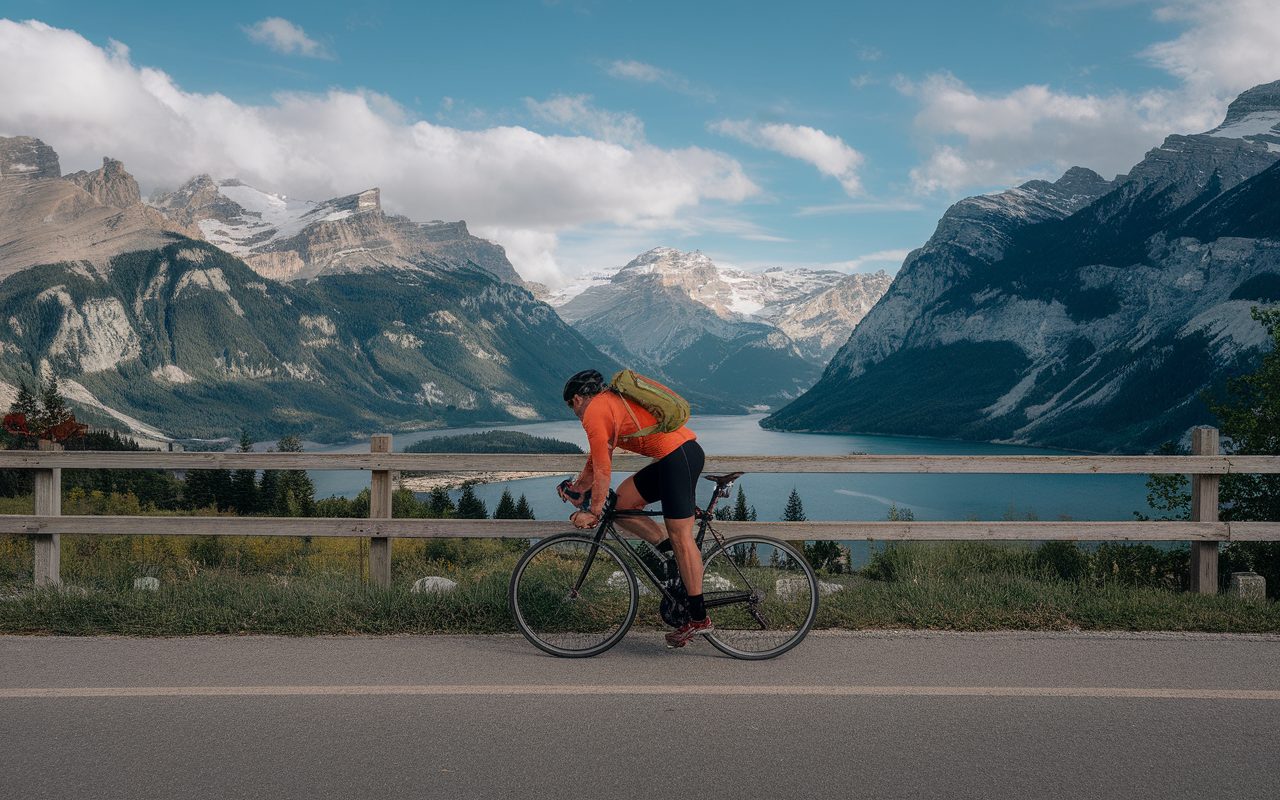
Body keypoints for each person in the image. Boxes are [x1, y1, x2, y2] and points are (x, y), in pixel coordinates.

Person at [558, 369, 710, 648]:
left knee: (681, 535)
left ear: (578, 398)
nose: (574, 412)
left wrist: (593, 511)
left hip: (678, 458)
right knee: (623, 504)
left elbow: (604, 469)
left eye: (571, 406)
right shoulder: (606, 404)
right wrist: (579, 488)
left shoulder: (593, 413)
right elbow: (596, 461)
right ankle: (671, 557)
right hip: (671, 458)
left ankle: (699, 618)